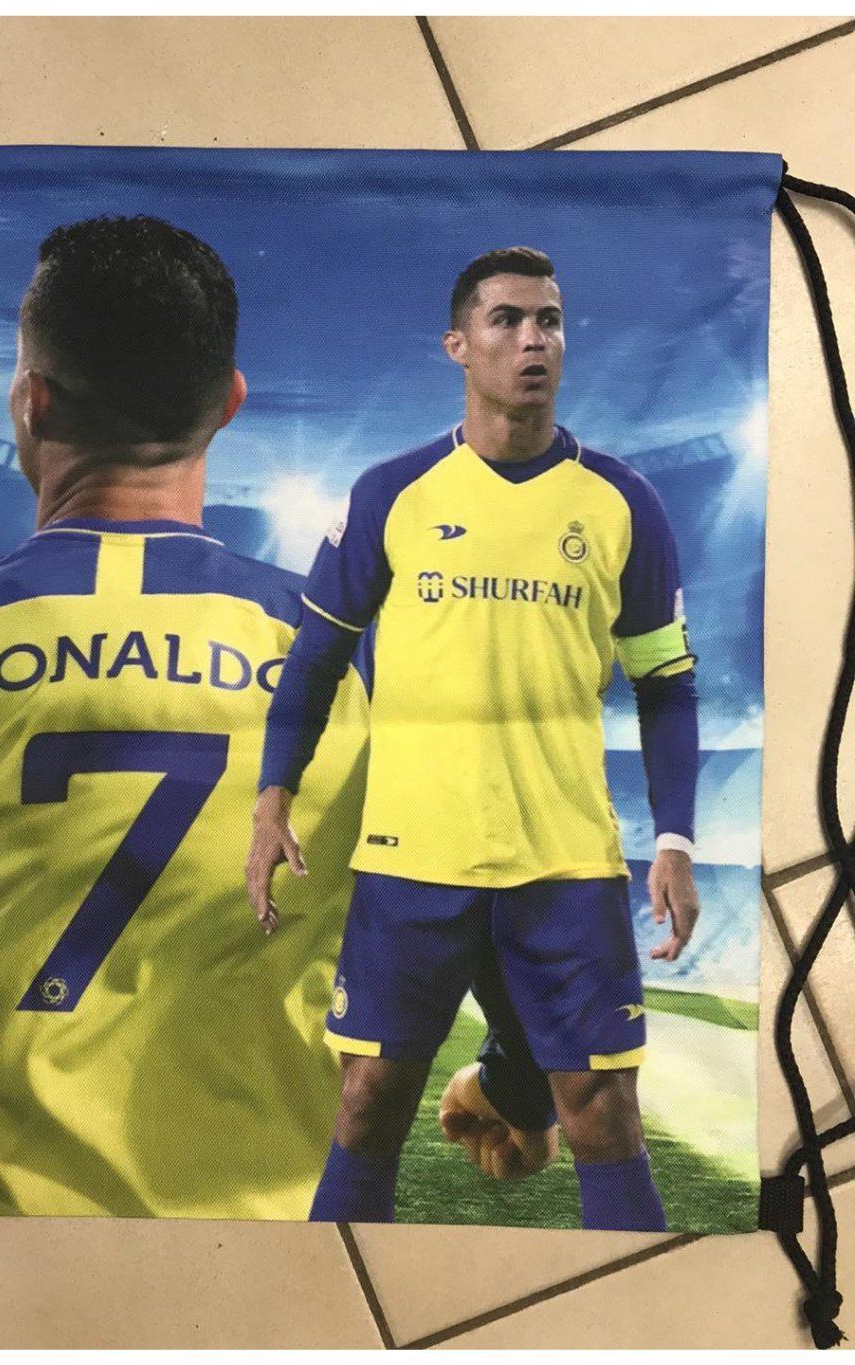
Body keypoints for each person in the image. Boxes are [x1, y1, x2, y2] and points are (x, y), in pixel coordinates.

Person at [0, 217, 553, 1218]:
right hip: (282, 1248)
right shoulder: (359, 659)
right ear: (231, 403)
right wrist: (518, 1082)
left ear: (31, 400)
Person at [249, 246, 701, 1231]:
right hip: (413, 858)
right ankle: (324, 1301)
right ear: (458, 345)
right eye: (507, 320)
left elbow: (666, 685)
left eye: (549, 320)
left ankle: (638, 1309)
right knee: (367, 1104)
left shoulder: (622, 502)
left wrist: (674, 837)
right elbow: (314, 661)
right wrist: (272, 796)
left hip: (564, 860)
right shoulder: (392, 493)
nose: (533, 339)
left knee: (602, 1111)